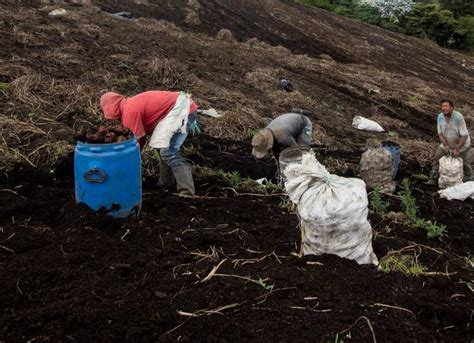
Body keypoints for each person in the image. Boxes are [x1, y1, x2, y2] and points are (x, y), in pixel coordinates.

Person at [100, 90, 199, 197]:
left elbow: (137, 141)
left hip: (182, 110)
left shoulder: (130, 111)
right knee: (161, 146)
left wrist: (130, 161)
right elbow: (140, 139)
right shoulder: (130, 105)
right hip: (182, 107)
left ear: (111, 107)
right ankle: (166, 182)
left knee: (169, 152)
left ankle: (187, 192)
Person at [426, 99, 472, 185]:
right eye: (442, 106)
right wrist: (445, 145)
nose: (444, 108)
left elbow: (464, 135)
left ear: (452, 107)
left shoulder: (458, 117)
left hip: (462, 145)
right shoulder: (440, 117)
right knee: (436, 158)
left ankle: (469, 180)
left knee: (465, 163)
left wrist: (457, 149)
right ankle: (433, 178)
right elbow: (440, 133)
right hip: (447, 143)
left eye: (446, 106)